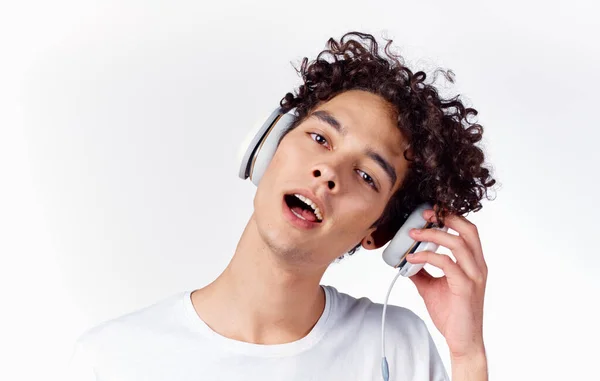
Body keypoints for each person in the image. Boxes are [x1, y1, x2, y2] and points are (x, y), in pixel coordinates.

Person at [67, 31, 496, 381]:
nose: (329, 172)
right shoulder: (110, 360)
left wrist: (468, 356)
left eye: (366, 176)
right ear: (268, 148)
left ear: (382, 232)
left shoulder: (396, 348)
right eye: (320, 138)